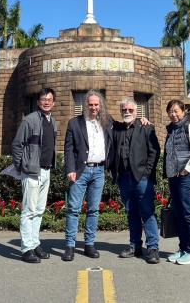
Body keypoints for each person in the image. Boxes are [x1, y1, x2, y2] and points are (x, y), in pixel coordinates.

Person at [62, 90, 112, 261]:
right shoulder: (74, 123)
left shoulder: (106, 122)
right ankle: (70, 246)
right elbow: (68, 148)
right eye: (90, 105)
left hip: (99, 171)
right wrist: (70, 169)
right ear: (85, 105)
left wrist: (141, 120)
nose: (93, 108)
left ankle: (89, 244)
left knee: (93, 210)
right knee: (74, 209)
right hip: (80, 172)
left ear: (100, 106)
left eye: (96, 105)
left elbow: (124, 126)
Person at [110, 98, 161, 264]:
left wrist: (146, 173)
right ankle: (135, 246)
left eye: (130, 110)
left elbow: (155, 151)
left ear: (136, 111)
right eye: (124, 110)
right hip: (124, 178)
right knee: (131, 213)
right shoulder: (116, 128)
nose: (127, 112)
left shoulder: (146, 127)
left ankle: (152, 248)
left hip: (142, 178)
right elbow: (101, 113)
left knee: (147, 212)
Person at [10, 88, 58, 264]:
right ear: (38, 102)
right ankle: (26, 248)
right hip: (31, 172)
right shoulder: (29, 120)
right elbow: (17, 144)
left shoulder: (53, 122)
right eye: (43, 99)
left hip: (46, 171)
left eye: (50, 99)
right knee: (29, 211)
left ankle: (35, 243)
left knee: (39, 211)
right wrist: (21, 166)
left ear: (53, 103)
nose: (46, 102)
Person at [164, 99, 190, 265]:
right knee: (179, 214)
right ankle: (183, 249)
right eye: (170, 111)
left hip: (187, 178)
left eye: (176, 111)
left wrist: (187, 169)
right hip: (174, 177)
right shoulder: (171, 130)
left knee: (189, 215)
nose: (173, 114)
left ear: (183, 112)